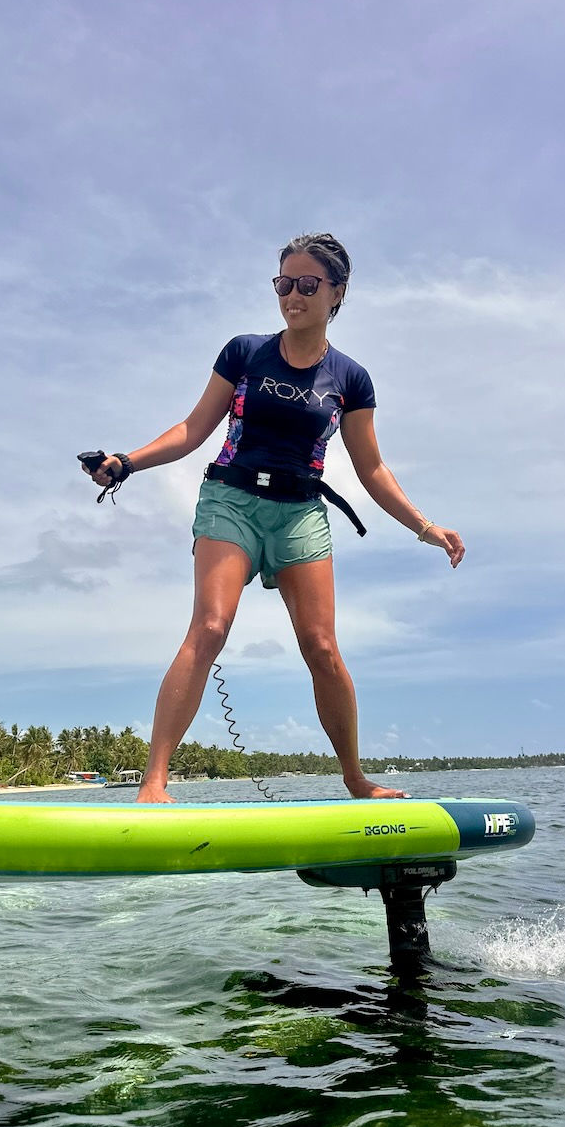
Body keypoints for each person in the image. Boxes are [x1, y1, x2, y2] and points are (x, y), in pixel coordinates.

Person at [84, 233, 465, 804]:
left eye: (307, 285)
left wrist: (425, 527)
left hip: (301, 514)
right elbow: (193, 430)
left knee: (322, 647)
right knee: (210, 627)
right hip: (231, 501)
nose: (293, 295)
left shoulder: (351, 379)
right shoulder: (244, 352)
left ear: (337, 293)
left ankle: (356, 780)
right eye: (283, 283)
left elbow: (372, 468)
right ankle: (154, 783)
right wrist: (126, 463)